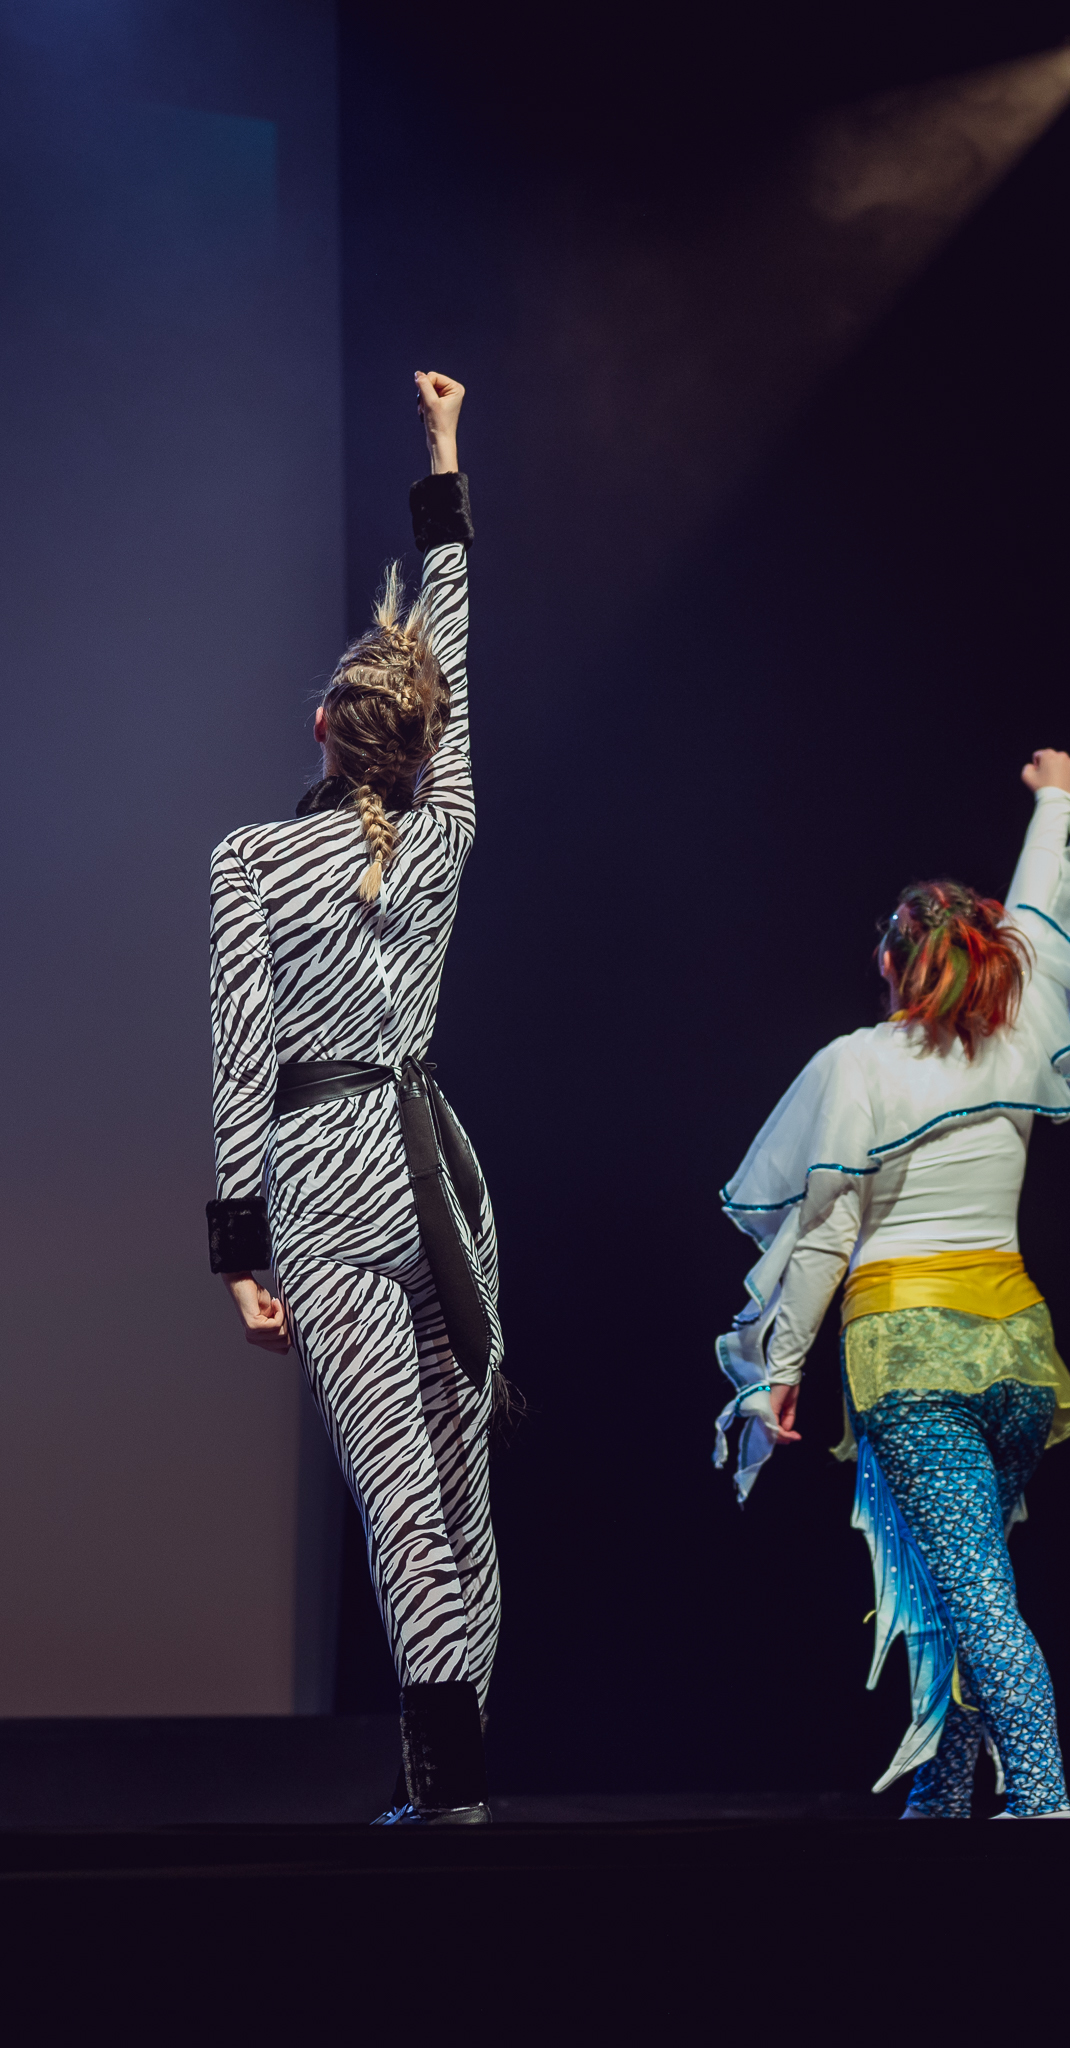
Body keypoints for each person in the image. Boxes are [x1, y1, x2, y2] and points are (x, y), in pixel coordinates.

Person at [712, 750, 1070, 1819]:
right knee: (952, 1580)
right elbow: (1037, 912)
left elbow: (825, 1232)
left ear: (894, 963)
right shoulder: (1021, 1024)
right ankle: (941, 1800)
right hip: (1016, 1351)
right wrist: (1054, 799)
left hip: (912, 1355)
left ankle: (1041, 1802)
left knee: (974, 1592)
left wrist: (775, 1369)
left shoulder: (860, 1063)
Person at [207, 372, 505, 1824]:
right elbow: (456, 644)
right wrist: (442, 457)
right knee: (458, 1492)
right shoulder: (445, 829)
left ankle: (443, 1795)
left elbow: (237, 1057)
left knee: (400, 1497)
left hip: (328, 1185)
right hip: (436, 1175)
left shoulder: (252, 859)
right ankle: (458, 1786)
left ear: (322, 724)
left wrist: (239, 1250)